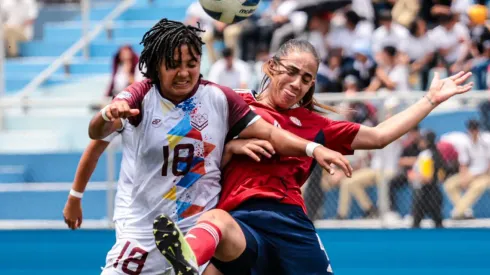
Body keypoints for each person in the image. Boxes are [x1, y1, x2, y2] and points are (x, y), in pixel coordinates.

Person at [152, 39, 473, 275]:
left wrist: (429, 100)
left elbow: (378, 137)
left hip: (290, 223)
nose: (296, 84)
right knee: (213, 224)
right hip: (239, 220)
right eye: (291, 72)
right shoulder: (232, 104)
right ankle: (185, 264)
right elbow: (190, 155)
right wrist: (230, 148)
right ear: (270, 67)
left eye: (306, 79)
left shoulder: (314, 125)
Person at [88, 19, 352, 275]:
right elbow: (97, 135)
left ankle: (187, 260)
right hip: (147, 229)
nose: (184, 72)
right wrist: (77, 192)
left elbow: (272, 133)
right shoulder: (143, 96)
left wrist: (313, 149)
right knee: (217, 225)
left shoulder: (219, 98)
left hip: (212, 227)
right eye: (175, 65)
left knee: (215, 228)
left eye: (192, 64)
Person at [408, 130, 446, 228]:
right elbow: (441, 176)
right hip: (435, 193)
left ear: (427, 142)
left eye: (422, 140)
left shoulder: (426, 155)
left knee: (416, 224)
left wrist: (413, 175)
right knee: (438, 223)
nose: (419, 142)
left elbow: (427, 178)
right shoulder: (437, 154)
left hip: (424, 194)